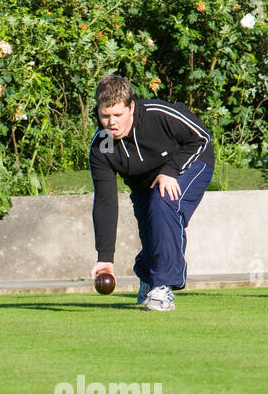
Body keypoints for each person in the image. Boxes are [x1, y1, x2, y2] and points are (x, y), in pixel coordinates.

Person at [88, 74, 214, 311]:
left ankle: (161, 288)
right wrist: (105, 258)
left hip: (189, 163)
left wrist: (171, 170)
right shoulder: (102, 144)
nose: (111, 123)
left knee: (163, 201)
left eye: (118, 115)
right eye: (105, 116)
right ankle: (148, 273)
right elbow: (105, 201)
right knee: (152, 227)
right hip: (144, 183)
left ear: (131, 107)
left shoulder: (157, 114)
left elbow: (201, 138)